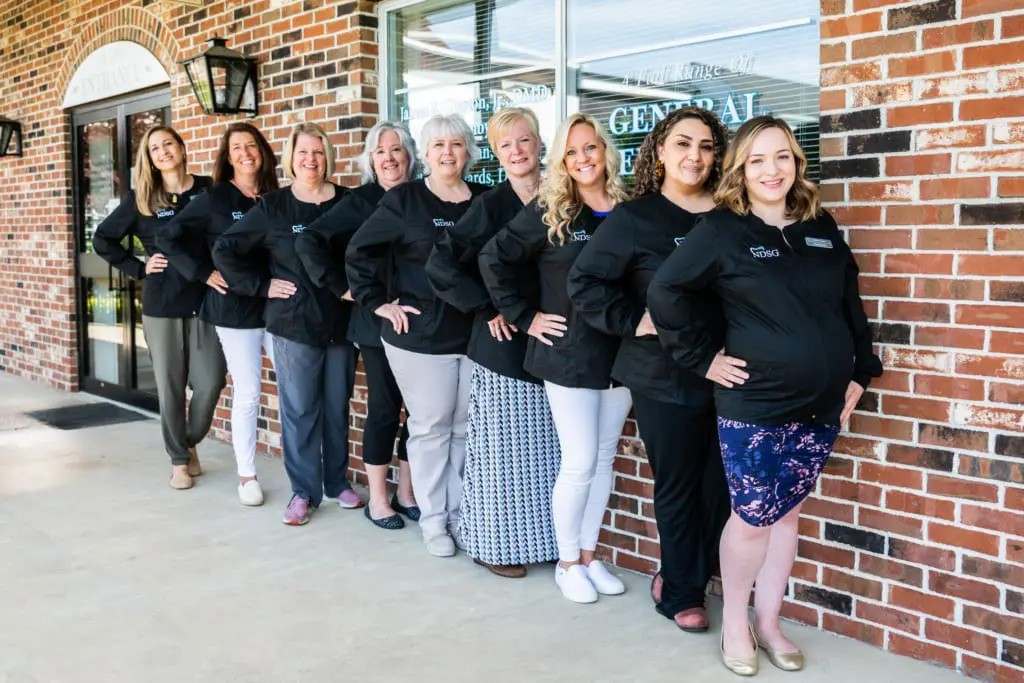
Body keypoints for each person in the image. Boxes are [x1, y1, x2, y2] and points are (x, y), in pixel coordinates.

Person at [647, 115, 883, 675]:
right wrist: (702, 357)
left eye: (781, 157)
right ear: (740, 170)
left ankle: (770, 621)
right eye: (757, 159)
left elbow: (849, 302)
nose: (771, 170)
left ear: (796, 163)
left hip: (822, 404)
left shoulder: (819, 225)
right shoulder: (723, 231)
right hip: (756, 405)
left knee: (788, 517)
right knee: (753, 518)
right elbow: (667, 291)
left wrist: (861, 371)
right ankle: (735, 623)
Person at [568, 107, 731, 629]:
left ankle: (691, 573)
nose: (694, 156)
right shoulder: (636, 218)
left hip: (728, 371)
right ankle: (681, 593)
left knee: (719, 486)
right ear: (660, 151)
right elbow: (586, 283)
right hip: (663, 375)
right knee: (680, 483)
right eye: (683, 144)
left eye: (706, 146)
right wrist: (633, 320)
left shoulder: (730, 214)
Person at [479, 113, 631, 604]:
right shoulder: (552, 209)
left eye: (591, 148)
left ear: (606, 151)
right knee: (580, 460)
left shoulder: (629, 208)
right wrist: (526, 317)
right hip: (568, 354)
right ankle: (567, 562)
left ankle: (589, 555)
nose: (584, 158)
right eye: (573, 151)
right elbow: (493, 259)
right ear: (562, 160)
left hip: (623, 353)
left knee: (604, 458)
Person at [425, 108, 559, 578]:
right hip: (503, 344)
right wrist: (488, 307)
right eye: (506, 145)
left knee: (543, 451)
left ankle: (539, 539)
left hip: (555, 341)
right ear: (496, 153)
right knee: (502, 453)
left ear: (540, 144)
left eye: (525, 141)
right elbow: (442, 266)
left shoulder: (561, 194)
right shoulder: (491, 205)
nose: (518, 151)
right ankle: (493, 545)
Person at [346, 114, 488, 556]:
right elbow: (359, 251)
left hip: (475, 333)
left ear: (468, 152)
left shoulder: (484, 201)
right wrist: (377, 302)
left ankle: (459, 513)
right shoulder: (405, 200)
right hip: (419, 335)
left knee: (465, 428)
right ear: (425, 154)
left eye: (456, 144)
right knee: (430, 428)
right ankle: (433, 521)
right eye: (438, 145)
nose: (448, 152)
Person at [214, 122, 362, 526]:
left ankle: (337, 482)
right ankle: (304, 492)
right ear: (291, 159)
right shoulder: (273, 207)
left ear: (327, 156)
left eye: (317, 152)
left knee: (336, 406)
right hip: (293, 324)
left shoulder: (348, 202)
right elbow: (225, 249)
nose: (311, 160)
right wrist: (260, 286)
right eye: (303, 153)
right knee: (299, 410)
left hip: (341, 322)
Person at [296, 121, 420, 530]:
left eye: (397, 149)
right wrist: (345, 288)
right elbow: (309, 240)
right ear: (370, 159)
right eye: (380, 151)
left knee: (417, 413)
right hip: (374, 324)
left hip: (421, 323)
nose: (388, 158)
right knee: (385, 408)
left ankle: (407, 492)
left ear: (410, 156)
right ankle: (379, 499)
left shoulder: (422, 196)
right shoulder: (361, 201)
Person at [93, 125, 223, 490]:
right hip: (162, 303)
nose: (163, 151)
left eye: (168, 144)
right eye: (154, 148)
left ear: (182, 148)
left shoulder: (207, 191)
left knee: (211, 381)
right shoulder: (143, 198)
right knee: (170, 387)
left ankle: (188, 439)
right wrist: (138, 267)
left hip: (206, 299)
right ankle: (179, 460)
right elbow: (103, 238)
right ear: (149, 159)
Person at [157, 122, 278, 506]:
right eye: (237, 148)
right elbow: (168, 237)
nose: (245, 153)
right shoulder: (215, 198)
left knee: (294, 390)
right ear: (228, 158)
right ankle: (247, 475)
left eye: (252, 145)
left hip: (279, 305)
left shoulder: (277, 195)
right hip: (234, 309)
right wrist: (201, 272)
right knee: (249, 393)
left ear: (263, 151)